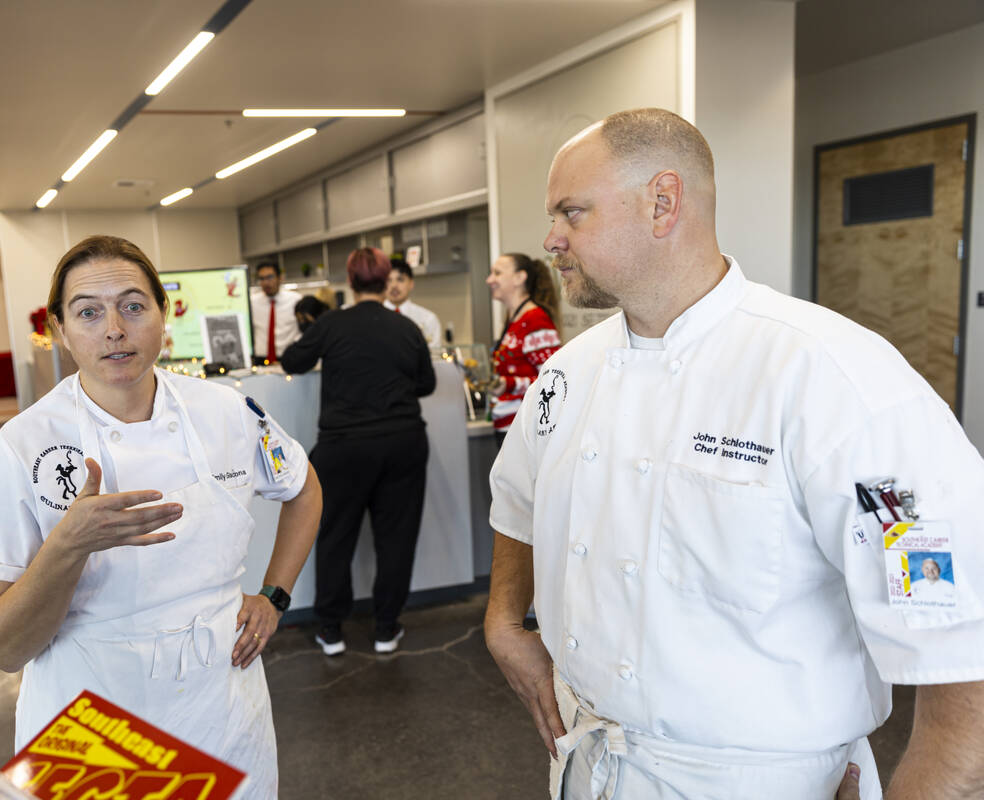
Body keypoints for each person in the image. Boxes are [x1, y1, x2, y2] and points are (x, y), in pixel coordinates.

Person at [485, 108, 984, 800]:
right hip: (590, 760)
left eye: (572, 214)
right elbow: (518, 496)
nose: (551, 240)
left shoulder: (832, 377)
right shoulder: (568, 374)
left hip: (763, 779)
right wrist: (505, 620)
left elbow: (962, 640)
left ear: (663, 202)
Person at [0, 235, 322, 799]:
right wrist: (69, 545)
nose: (114, 329)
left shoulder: (226, 411)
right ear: (60, 328)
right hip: (95, 716)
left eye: (133, 305)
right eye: (89, 312)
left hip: (222, 702)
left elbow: (303, 486)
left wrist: (274, 597)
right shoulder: (22, 446)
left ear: (163, 316)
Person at [280, 247, 435, 656]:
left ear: (350, 282)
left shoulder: (332, 324)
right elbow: (426, 384)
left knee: (335, 536)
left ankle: (331, 629)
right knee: (396, 538)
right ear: (387, 281)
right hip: (403, 443)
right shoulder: (406, 328)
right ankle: (386, 627)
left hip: (344, 447)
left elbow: (292, 361)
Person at [486, 253, 561, 442]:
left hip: (524, 430)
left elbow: (553, 382)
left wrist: (508, 384)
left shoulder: (535, 320)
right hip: (509, 425)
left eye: (497, 273)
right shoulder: (515, 319)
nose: (489, 280)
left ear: (520, 278)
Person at [250, 261, 302, 363]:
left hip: (288, 359)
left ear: (280, 278)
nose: (265, 282)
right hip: (261, 360)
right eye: (261, 278)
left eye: (270, 277)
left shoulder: (295, 300)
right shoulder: (252, 302)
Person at [384, 259, 442, 346]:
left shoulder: (428, 319)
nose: (394, 285)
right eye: (388, 280)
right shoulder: (372, 318)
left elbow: (434, 356)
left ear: (411, 284)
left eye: (400, 279)